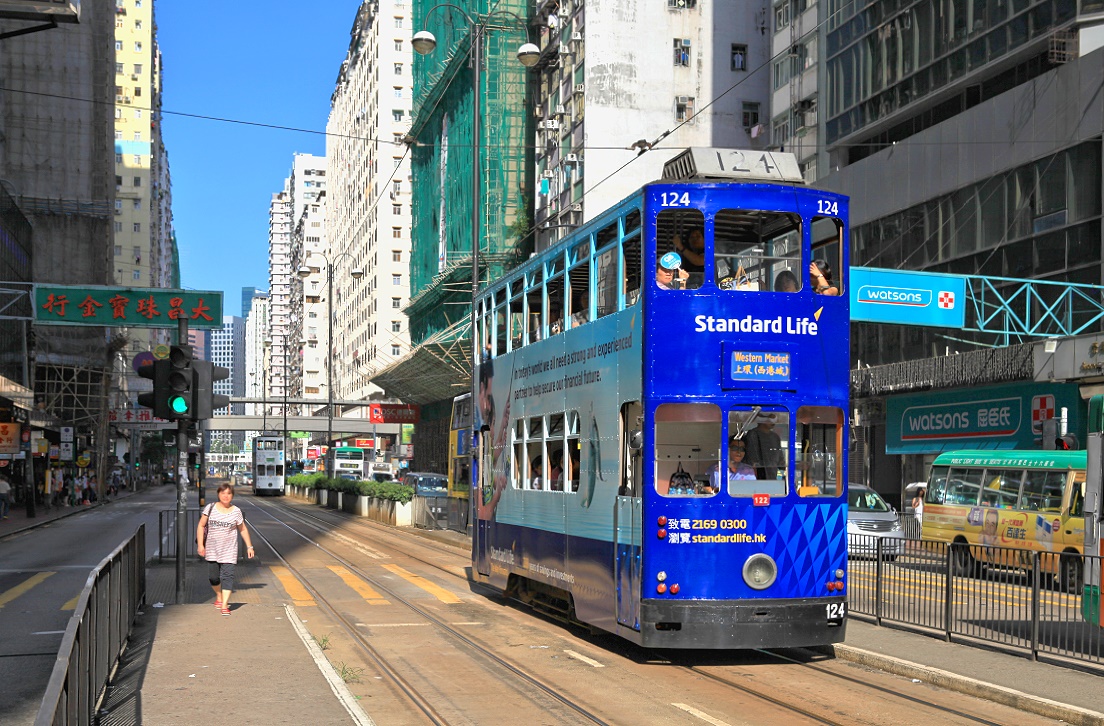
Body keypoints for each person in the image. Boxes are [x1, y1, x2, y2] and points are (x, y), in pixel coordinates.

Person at [196, 482, 255, 616]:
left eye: (229, 493)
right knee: (213, 578)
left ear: (232, 496)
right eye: (223, 493)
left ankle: (224, 605)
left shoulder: (236, 511)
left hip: (229, 550)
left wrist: (249, 546)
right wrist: (201, 545)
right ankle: (219, 596)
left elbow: (243, 529)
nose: (226, 496)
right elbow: (201, 526)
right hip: (212, 549)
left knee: (228, 577)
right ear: (218, 494)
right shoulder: (210, 508)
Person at [744, 413, 783, 481]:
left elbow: (780, 458)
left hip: (772, 476)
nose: (773, 421)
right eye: (770, 418)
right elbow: (752, 457)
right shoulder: (753, 434)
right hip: (757, 476)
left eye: (774, 419)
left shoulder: (775, 437)